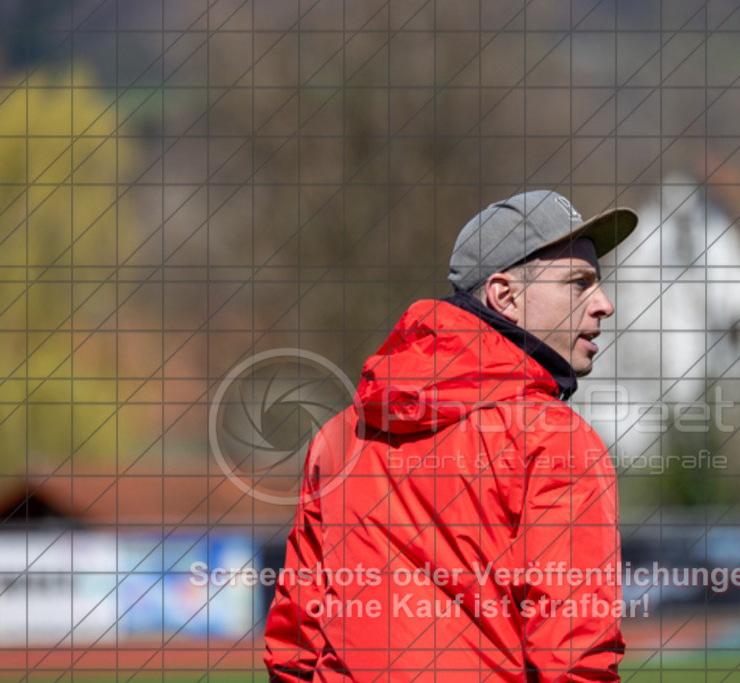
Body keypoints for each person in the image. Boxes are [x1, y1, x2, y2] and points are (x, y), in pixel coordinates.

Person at [264, 190, 638, 681]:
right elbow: (573, 653)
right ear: (505, 296)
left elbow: (296, 640)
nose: (604, 305)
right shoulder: (556, 440)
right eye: (579, 284)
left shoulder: (341, 436)